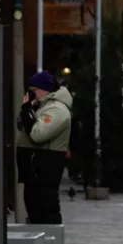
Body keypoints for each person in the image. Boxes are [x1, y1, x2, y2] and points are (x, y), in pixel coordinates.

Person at [16, 71, 73, 224]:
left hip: (45, 169)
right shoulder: (42, 106)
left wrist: (27, 110)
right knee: (33, 208)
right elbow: (21, 126)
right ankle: (41, 238)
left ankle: (52, 238)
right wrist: (28, 110)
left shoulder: (57, 110)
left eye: (33, 90)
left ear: (45, 89)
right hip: (34, 171)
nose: (31, 94)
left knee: (47, 209)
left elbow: (38, 134)